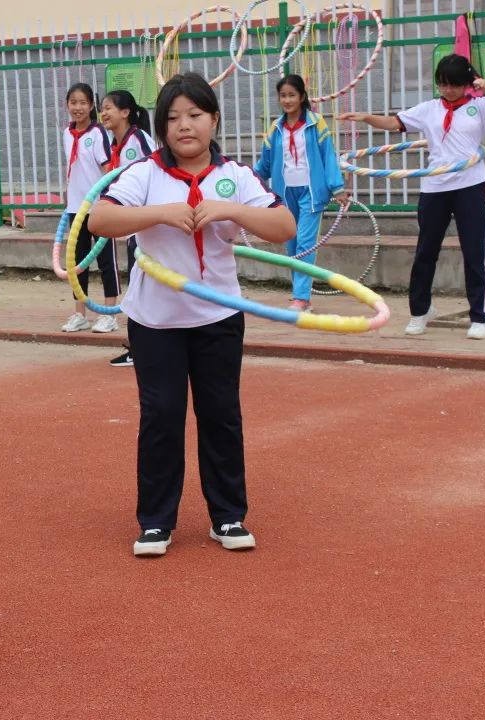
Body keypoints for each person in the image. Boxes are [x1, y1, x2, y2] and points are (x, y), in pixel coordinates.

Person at [88, 73, 295, 558]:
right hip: (156, 319)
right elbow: (100, 218)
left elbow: (284, 227)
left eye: (195, 115)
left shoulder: (237, 174)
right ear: (161, 126)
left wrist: (232, 209)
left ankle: (227, 516)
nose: (185, 126)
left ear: (214, 120)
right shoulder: (144, 174)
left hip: (218, 316)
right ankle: (156, 521)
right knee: (161, 416)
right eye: (173, 117)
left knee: (221, 413)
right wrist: (159, 213)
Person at [340, 54, 485, 339]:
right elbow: (393, 123)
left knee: (474, 252)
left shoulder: (480, 107)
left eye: (454, 85)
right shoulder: (429, 109)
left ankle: (481, 317)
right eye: (443, 84)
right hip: (435, 187)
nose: (447, 90)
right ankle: (420, 311)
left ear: (467, 84)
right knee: (425, 252)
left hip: (470, 184)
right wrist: (365, 118)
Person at [254, 74, 348, 312]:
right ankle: (300, 294)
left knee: (306, 243)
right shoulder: (275, 128)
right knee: (291, 243)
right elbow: (264, 163)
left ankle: (301, 298)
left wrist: (338, 188)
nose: (287, 100)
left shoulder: (316, 124)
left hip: (311, 192)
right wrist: (245, 180)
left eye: (292, 95)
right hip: (285, 193)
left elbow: (328, 156)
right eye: (283, 96)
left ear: (302, 97)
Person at [101, 89, 155, 367]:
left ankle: (141, 347)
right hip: (133, 224)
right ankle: (141, 345)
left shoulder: (138, 141)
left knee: (141, 284)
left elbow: (152, 174)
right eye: (103, 108)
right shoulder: (115, 143)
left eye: (109, 107)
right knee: (139, 284)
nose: (104, 113)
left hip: (145, 223)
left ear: (126, 112)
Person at [61, 82, 119, 334]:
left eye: (83, 102)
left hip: (98, 208)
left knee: (107, 261)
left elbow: (108, 169)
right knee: (77, 263)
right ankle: (79, 313)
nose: (78, 108)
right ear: (67, 105)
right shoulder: (66, 133)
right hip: (75, 208)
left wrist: (110, 200)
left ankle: (109, 314)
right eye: (73, 102)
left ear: (91, 105)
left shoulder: (97, 134)